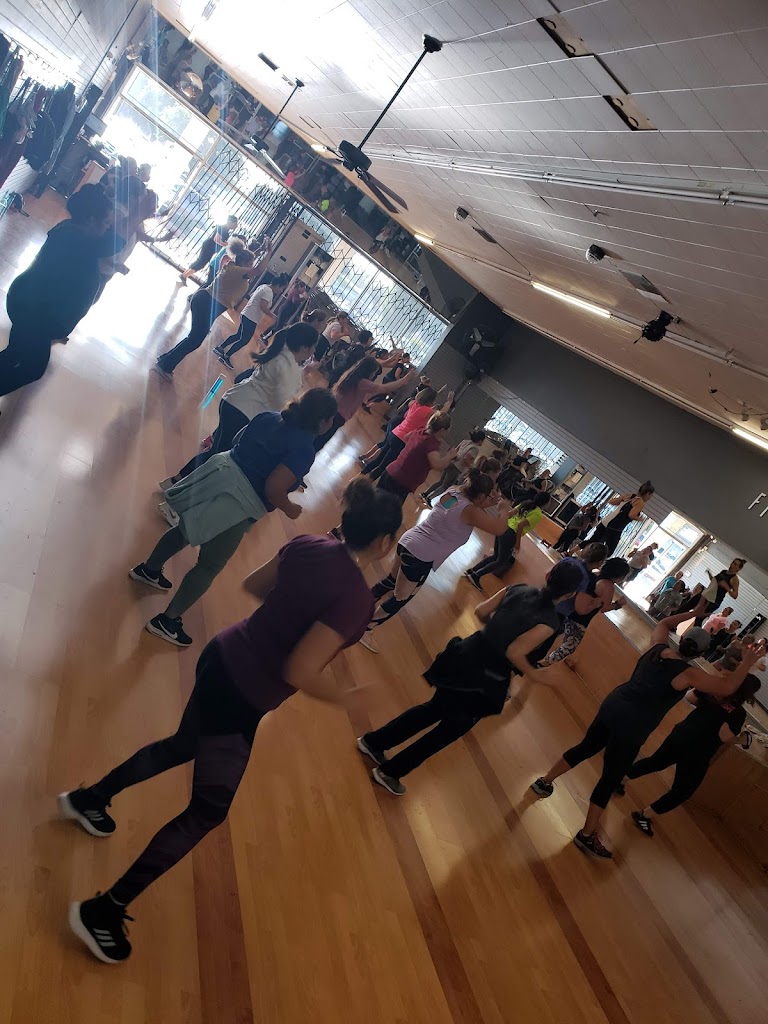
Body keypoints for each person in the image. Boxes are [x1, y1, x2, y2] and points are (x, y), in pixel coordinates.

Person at [62, 478, 403, 963]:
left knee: (182, 744)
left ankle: (89, 799)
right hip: (243, 695)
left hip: (222, 655)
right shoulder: (355, 602)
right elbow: (300, 670)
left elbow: (254, 586)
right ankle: (104, 912)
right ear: (385, 541)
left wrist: (289, 613)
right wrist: (347, 697)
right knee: (207, 812)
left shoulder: (310, 544)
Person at [530, 612, 761, 858]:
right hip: (633, 725)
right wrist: (747, 662)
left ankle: (544, 781)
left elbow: (663, 623)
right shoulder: (688, 674)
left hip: (614, 704)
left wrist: (696, 611)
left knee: (586, 747)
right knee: (610, 779)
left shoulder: (657, 647)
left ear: (682, 639)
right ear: (700, 654)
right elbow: (727, 687)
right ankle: (586, 835)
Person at [129, 389, 337, 647]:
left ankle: (148, 570)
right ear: (322, 421)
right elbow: (274, 488)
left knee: (185, 529)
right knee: (209, 565)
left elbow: (238, 439)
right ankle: (166, 622)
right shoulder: (304, 448)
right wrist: (289, 508)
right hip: (238, 502)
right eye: (331, 419)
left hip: (220, 474)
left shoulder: (270, 416)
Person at [356, 560, 585, 795]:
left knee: (432, 709)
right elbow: (514, 652)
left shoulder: (518, 589)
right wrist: (536, 675)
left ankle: (373, 742)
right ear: (570, 594)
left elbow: (481, 611)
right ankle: (389, 772)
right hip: (485, 680)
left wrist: (495, 631)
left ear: (548, 575)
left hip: (467, 654)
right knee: (445, 732)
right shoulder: (549, 622)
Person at [360, 469, 514, 652]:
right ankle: (366, 629)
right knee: (400, 597)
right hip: (420, 556)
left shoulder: (455, 493)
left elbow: (453, 512)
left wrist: (487, 500)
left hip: (408, 542)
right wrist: (504, 509)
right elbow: (499, 528)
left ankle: (359, 608)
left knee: (390, 581)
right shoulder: (470, 511)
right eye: (487, 495)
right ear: (481, 495)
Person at [0, 185, 120, 396]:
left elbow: (111, 244)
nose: (108, 228)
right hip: (34, 311)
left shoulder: (73, 231)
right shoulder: (77, 242)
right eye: (106, 223)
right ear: (91, 220)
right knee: (33, 368)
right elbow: (114, 243)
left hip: (31, 304)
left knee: (15, 353)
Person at [162, 323, 318, 484]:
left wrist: (303, 371)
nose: (314, 351)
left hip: (234, 402)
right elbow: (284, 402)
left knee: (216, 452)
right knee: (216, 456)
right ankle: (176, 483)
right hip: (242, 411)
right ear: (304, 347)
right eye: (313, 347)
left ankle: (178, 482)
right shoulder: (288, 367)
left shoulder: (282, 354)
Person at [627, 676, 761, 837]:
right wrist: (743, 740)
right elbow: (725, 736)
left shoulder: (715, 692)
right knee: (682, 791)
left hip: (680, 734)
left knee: (654, 762)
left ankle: (617, 780)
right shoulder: (737, 713)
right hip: (698, 752)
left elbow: (690, 697)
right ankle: (644, 815)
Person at [155, 247, 266, 377]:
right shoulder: (237, 271)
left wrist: (260, 250)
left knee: (194, 338)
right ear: (243, 263)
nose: (251, 266)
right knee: (195, 340)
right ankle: (165, 365)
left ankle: (165, 359)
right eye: (250, 264)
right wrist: (269, 252)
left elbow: (248, 259)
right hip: (207, 303)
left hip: (208, 303)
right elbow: (258, 270)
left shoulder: (234, 267)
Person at [313, 355, 416, 451]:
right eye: (374, 372)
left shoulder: (351, 374)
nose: (374, 375)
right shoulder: (362, 383)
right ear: (369, 371)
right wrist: (404, 380)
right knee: (320, 441)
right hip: (338, 415)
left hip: (331, 406)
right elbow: (384, 388)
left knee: (316, 433)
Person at [543, 554, 630, 665]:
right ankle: (545, 662)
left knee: (554, 632)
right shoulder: (608, 586)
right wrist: (618, 604)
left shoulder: (594, 575)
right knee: (569, 646)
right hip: (581, 619)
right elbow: (604, 607)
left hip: (570, 610)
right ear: (619, 576)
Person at [362, 387, 451, 480]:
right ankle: (367, 482)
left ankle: (361, 475)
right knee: (383, 466)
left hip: (395, 433)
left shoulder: (414, 403)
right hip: (401, 440)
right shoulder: (427, 411)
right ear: (431, 401)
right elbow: (440, 415)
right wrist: (449, 402)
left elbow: (406, 415)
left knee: (378, 459)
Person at [465, 492, 551, 587]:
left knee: (495, 556)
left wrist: (500, 522)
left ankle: (472, 570)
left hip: (504, 527)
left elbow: (509, 514)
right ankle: (476, 575)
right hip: (511, 534)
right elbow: (520, 525)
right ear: (545, 503)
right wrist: (517, 543)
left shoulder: (525, 504)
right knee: (501, 561)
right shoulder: (538, 514)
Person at [377, 412, 457, 505]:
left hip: (392, 472)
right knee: (386, 510)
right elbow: (437, 465)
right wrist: (449, 455)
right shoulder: (430, 443)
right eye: (448, 430)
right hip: (401, 482)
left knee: (374, 502)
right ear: (442, 430)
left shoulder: (421, 431)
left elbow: (406, 437)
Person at [214, 273, 290, 368]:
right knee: (244, 340)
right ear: (278, 285)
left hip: (247, 314)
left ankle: (220, 348)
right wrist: (272, 316)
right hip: (251, 317)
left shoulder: (264, 286)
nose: (281, 291)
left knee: (239, 335)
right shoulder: (269, 292)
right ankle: (226, 356)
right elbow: (263, 306)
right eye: (282, 288)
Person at [421, 428, 486, 505]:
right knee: (445, 486)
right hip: (457, 468)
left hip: (451, 462)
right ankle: (429, 498)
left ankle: (425, 493)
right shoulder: (475, 449)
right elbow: (466, 459)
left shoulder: (465, 441)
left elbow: (455, 450)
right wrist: (471, 467)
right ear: (480, 440)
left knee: (440, 482)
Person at [589, 482, 655, 556]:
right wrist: (640, 519)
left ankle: (583, 554)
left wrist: (622, 500)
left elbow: (611, 501)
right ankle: (594, 560)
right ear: (647, 493)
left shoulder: (629, 496)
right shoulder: (640, 502)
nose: (649, 498)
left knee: (593, 543)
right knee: (608, 551)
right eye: (650, 496)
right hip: (615, 526)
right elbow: (631, 515)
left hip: (606, 521)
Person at [180, 214, 238, 282]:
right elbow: (216, 239)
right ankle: (184, 276)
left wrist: (224, 244)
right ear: (230, 222)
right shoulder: (223, 228)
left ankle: (184, 275)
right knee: (201, 263)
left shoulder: (225, 230)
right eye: (235, 224)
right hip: (209, 246)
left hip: (210, 247)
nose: (236, 226)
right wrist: (225, 244)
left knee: (200, 261)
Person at [696, 559, 746, 624]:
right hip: (708, 595)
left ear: (738, 568)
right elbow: (715, 581)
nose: (732, 565)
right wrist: (709, 574)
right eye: (733, 562)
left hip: (714, 601)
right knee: (695, 611)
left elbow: (735, 595)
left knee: (699, 618)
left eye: (735, 564)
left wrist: (726, 587)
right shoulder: (723, 571)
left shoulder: (734, 579)